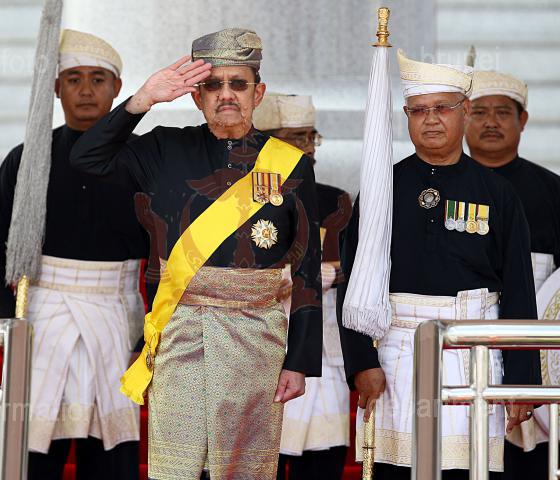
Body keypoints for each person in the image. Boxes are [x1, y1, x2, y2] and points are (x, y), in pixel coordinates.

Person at [69, 28, 323, 480]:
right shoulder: (163, 148)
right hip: (180, 331)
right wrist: (141, 101)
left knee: (243, 469)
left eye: (238, 84)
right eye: (212, 85)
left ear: (258, 92)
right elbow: (86, 158)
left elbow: (307, 270)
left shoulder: (290, 163)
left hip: (256, 338)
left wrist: (299, 361)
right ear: (196, 96)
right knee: (179, 467)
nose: (226, 94)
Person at [337, 50, 541, 479]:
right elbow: (354, 281)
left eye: (442, 108)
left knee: (469, 469)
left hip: (473, 348)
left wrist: (522, 379)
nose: (430, 120)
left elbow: (519, 289)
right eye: (419, 110)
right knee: (397, 468)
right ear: (407, 116)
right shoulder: (382, 186)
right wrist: (361, 363)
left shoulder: (497, 192)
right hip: (397, 351)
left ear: (464, 112)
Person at [0, 29, 148, 480]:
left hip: (116, 317)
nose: (86, 90)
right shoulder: (26, 159)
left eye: (98, 79)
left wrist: (151, 331)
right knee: (32, 454)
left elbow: (169, 253)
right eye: (74, 79)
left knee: (110, 458)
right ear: (56, 88)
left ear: (117, 87)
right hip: (43, 317)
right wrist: (6, 318)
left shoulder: (143, 160)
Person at [466, 70, 560, 480]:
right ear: (462, 118)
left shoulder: (553, 191)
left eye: (502, 112)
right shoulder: (442, 186)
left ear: (522, 120)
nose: (491, 122)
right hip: (465, 348)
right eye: (479, 112)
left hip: (538, 348)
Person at [252, 92, 351, 480]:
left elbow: (346, 269)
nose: (308, 147)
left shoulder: (334, 200)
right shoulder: (237, 200)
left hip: (322, 349)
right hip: (257, 345)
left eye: (311, 136)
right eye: (296, 137)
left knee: (324, 457)